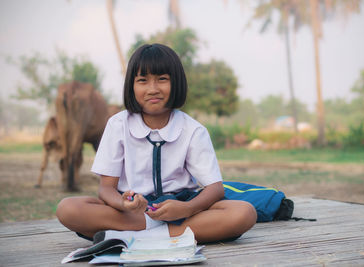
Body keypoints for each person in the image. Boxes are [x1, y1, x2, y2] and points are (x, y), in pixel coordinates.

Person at [56, 43, 257, 244]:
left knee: (244, 212)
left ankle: (135, 236)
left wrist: (186, 208)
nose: (153, 89)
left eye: (162, 79)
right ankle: (170, 234)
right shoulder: (117, 125)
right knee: (68, 209)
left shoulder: (193, 130)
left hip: (180, 209)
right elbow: (106, 189)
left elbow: (215, 189)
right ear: (131, 86)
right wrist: (124, 203)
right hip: (131, 212)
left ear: (176, 83)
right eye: (143, 80)